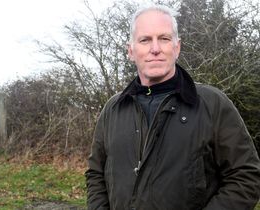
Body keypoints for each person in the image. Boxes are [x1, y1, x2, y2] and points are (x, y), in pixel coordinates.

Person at [85, 4, 260, 210]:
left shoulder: (212, 104)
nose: (155, 48)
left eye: (164, 38)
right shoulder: (113, 109)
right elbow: (96, 174)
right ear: (131, 51)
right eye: (145, 40)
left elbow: (246, 176)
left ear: (177, 47)